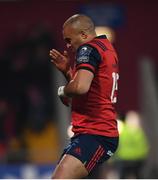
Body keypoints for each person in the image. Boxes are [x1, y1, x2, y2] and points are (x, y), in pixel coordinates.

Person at [49, 14, 119, 179]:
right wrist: (68, 72)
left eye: (69, 39)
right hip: (92, 133)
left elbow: (80, 87)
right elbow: (91, 90)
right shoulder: (107, 48)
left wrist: (62, 91)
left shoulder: (88, 49)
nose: (68, 45)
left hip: (96, 133)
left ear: (83, 35)